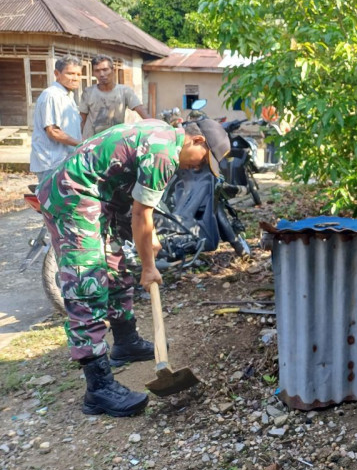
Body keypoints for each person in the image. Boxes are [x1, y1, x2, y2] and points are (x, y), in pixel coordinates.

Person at [37, 118, 230, 417]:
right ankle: (98, 389)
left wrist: (149, 235)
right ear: (198, 142)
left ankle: (125, 342)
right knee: (87, 282)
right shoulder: (164, 152)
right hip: (74, 193)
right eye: (204, 161)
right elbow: (141, 214)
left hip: (101, 197)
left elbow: (141, 208)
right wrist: (149, 267)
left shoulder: (163, 135)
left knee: (115, 267)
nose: (198, 167)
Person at [30, 56, 82, 182]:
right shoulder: (52, 95)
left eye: (78, 74)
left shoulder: (67, 95)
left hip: (63, 160)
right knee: (54, 200)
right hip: (52, 162)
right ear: (57, 74)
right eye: (70, 73)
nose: (75, 78)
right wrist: (82, 144)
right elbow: (53, 131)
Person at [79, 55, 150, 138]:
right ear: (93, 73)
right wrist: (81, 141)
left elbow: (141, 111)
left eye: (105, 70)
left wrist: (158, 127)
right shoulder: (88, 92)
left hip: (114, 139)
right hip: (92, 141)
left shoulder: (125, 91)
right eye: (97, 71)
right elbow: (82, 120)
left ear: (113, 70)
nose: (101, 74)